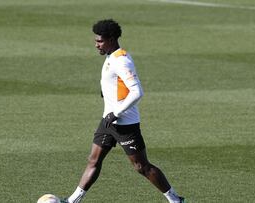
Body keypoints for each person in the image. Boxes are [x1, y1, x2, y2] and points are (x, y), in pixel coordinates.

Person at [61, 19, 185, 203]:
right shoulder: (110, 57)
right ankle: (72, 201)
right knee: (93, 160)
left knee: (141, 166)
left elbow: (137, 92)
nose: (96, 45)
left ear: (111, 39)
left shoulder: (122, 60)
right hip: (108, 121)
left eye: (100, 41)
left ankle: (175, 199)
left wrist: (116, 112)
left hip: (125, 123)